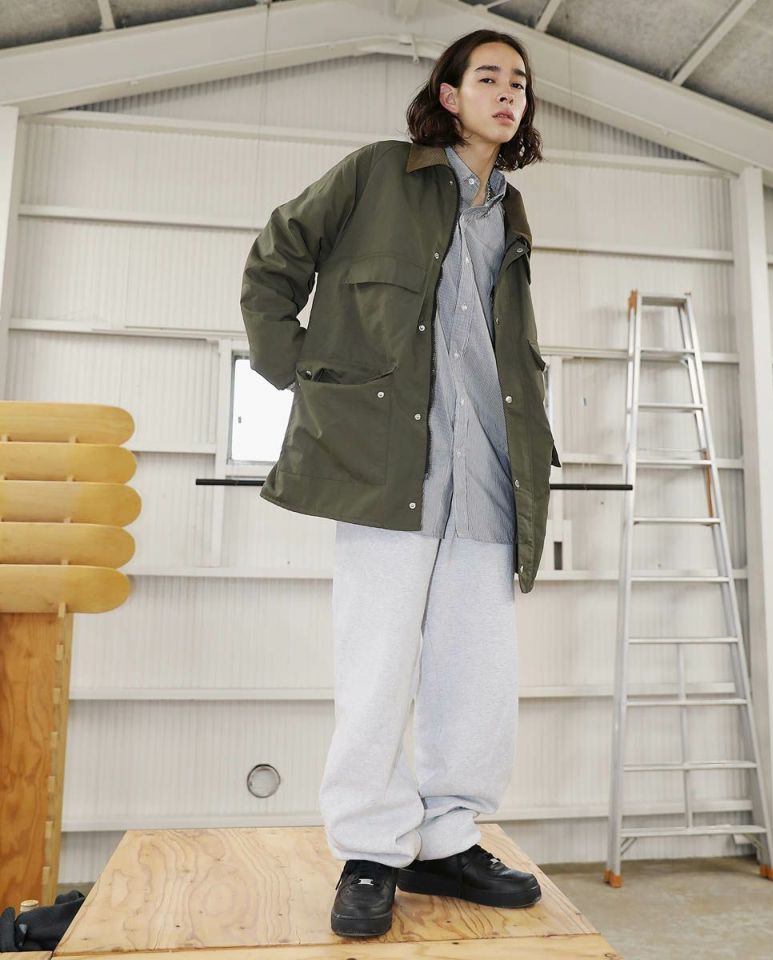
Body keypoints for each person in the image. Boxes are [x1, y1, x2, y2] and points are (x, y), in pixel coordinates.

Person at [241, 27, 558, 940]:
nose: (509, 92)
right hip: (388, 468)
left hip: (489, 469)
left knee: (476, 673)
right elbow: (274, 261)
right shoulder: (379, 172)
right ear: (449, 96)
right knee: (376, 665)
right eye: (489, 77)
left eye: (519, 82)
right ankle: (373, 849)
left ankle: (448, 839)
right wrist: (299, 373)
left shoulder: (510, 210)